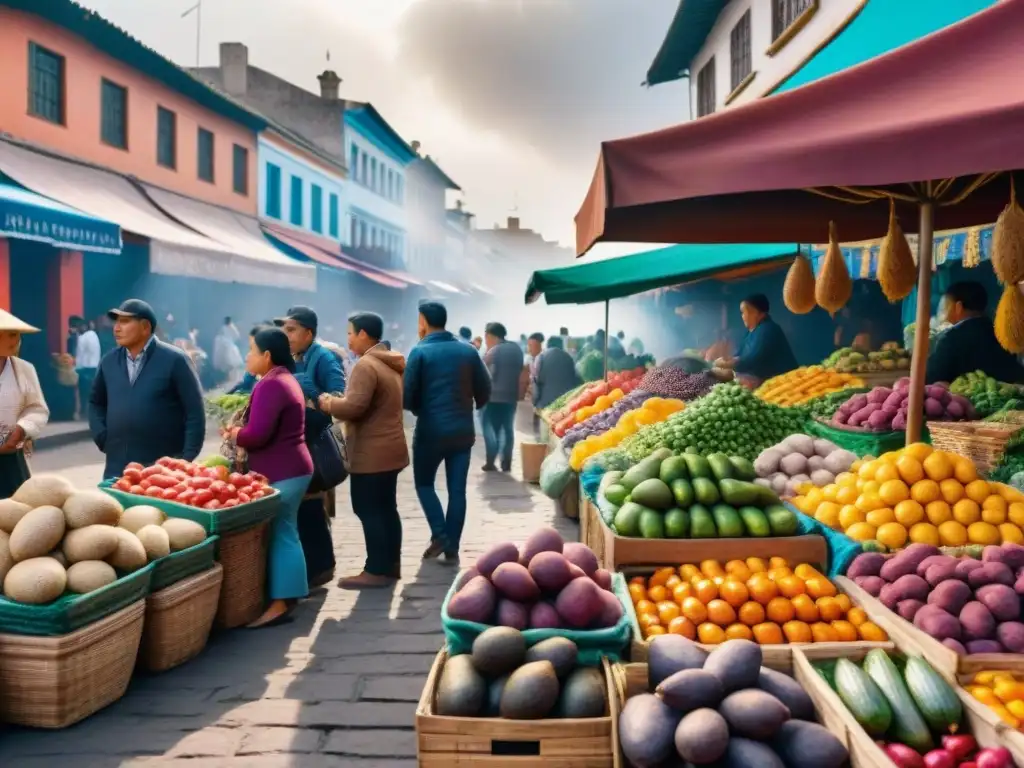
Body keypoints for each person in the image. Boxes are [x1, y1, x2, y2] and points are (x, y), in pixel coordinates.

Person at [227, 327, 313, 628]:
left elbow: (258, 435)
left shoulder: (272, 385)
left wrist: (235, 433)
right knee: (287, 530)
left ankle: (281, 603)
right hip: (293, 468)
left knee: (281, 533)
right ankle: (290, 594)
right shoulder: (281, 380)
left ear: (266, 355)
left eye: (251, 351)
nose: (247, 357)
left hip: (284, 472)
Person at [320, 312, 408, 589]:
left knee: (368, 509)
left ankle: (375, 570)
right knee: (386, 509)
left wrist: (328, 404)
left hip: (372, 452)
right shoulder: (389, 362)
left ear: (363, 334)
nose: (347, 339)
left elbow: (354, 407)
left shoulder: (366, 365)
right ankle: (391, 564)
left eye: (349, 333)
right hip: (391, 448)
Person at [405, 302, 491, 562]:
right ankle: (451, 547)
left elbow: (407, 398)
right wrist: (471, 405)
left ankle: (440, 534)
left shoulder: (419, 352)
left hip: (431, 431)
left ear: (422, 321)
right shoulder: (468, 351)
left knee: (423, 483)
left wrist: (423, 410)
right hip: (463, 431)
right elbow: (485, 388)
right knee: (457, 491)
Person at [89, 299, 205, 480]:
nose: (116, 328)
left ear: (145, 327)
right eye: (116, 322)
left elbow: (195, 412)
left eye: (125, 322)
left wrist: (186, 458)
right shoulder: (109, 361)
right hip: (117, 469)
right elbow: (96, 402)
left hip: (163, 472)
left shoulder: (175, 360)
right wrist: (103, 437)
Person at [276, 306, 346, 588]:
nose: (286, 335)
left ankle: (321, 566)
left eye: (291, 329)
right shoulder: (289, 357)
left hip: (314, 440)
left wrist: (311, 401)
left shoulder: (324, 358)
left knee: (312, 504)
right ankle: (313, 566)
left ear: (309, 333)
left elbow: (339, 396)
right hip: (292, 441)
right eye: (284, 330)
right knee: (302, 507)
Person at [926, 281, 1024, 384]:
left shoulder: (951, 339)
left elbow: (932, 377)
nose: (943, 314)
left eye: (944, 308)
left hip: (966, 399)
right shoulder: (1003, 333)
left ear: (958, 307)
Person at [0, 311, 50, 498]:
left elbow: (37, 408)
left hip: (13, 457)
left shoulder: (24, 369)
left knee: (16, 511)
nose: (18, 340)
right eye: (12, 334)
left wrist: (21, 430)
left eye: (18, 335)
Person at [715, 294, 798, 385]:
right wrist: (727, 360)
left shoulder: (768, 329)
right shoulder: (751, 331)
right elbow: (740, 354)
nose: (743, 316)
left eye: (745, 312)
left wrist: (730, 364)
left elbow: (753, 360)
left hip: (785, 383)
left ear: (760, 313)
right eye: (742, 312)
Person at [482, 321, 524, 472]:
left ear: (491, 336)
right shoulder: (517, 349)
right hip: (510, 397)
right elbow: (522, 371)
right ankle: (506, 463)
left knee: (492, 430)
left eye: (486, 336)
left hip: (493, 398)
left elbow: (485, 372)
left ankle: (490, 462)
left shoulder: (494, 351)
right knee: (507, 429)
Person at [533, 337, 580, 412]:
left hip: (546, 406)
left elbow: (536, 382)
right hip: (566, 404)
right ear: (561, 345)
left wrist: (535, 402)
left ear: (547, 345)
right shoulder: (568, 358)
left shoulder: (540, 357)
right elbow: (576, 381)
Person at [73, 316, 101, 421]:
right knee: (92, 392)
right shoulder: (94, 335)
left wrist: (75, 369)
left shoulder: (83, 337)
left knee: (83, 393)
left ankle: (83, 413)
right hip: (94, 367)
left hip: (84, 368)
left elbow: (79, 354)